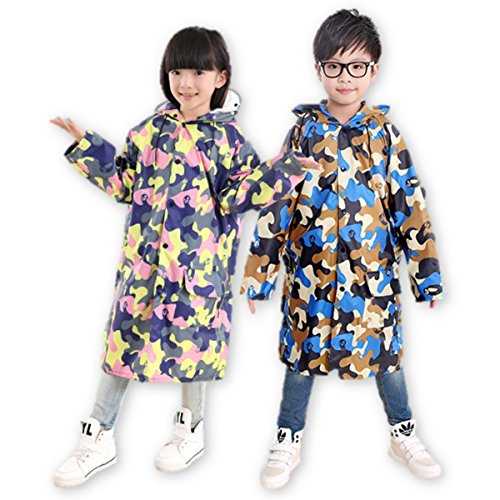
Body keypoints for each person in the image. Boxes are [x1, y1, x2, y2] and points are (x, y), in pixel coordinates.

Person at [50, 25, 319, 488]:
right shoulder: (149, 131)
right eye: (177, 72)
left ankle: (190, 429)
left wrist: (288, 169)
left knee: (195, 344)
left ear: (220, 77)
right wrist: (86, 145)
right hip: (143, 267)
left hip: (198, 270)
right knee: (122, 343)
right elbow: (124, 183)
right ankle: (99, 435)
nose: (186, 83)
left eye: (198, 72)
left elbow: (242, 195)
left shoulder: (228, 141)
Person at [241, 9, 444, 489]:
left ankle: (403, 434)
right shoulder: (303, 132)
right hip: (309, 277)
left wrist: (426, 274)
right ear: (319, 69)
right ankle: (287, 438)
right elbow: (277, 203)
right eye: (334, 65)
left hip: (371, 277)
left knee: (387, 360)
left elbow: (409, 204)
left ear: (374, 69)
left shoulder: (385, 134)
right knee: (300, 361)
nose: (345, 77)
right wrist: (258, 274)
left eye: (356, 66)